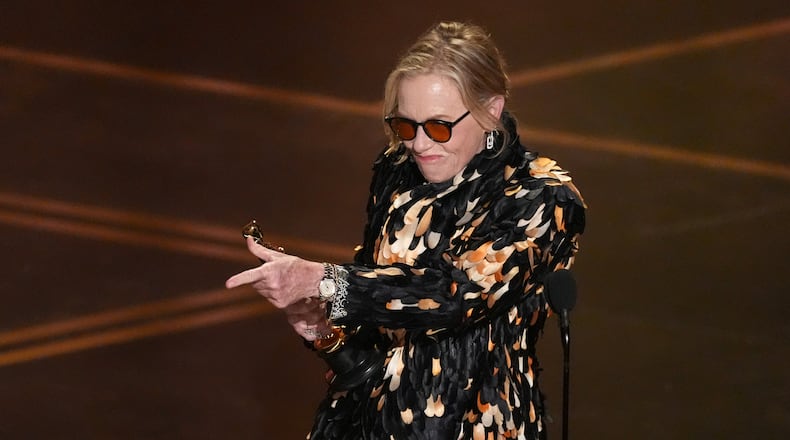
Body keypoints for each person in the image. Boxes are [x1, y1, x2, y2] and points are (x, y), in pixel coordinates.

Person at [226, 21, 586, 440]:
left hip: (472, 427)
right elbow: (380, 299)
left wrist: (326, 281)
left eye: (438, 126)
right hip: (368, 422)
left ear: (491, 108)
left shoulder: (542, 198)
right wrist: (324, 328)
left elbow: (456, 295)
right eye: (405, 125)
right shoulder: (399, 170)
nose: (418, 144)